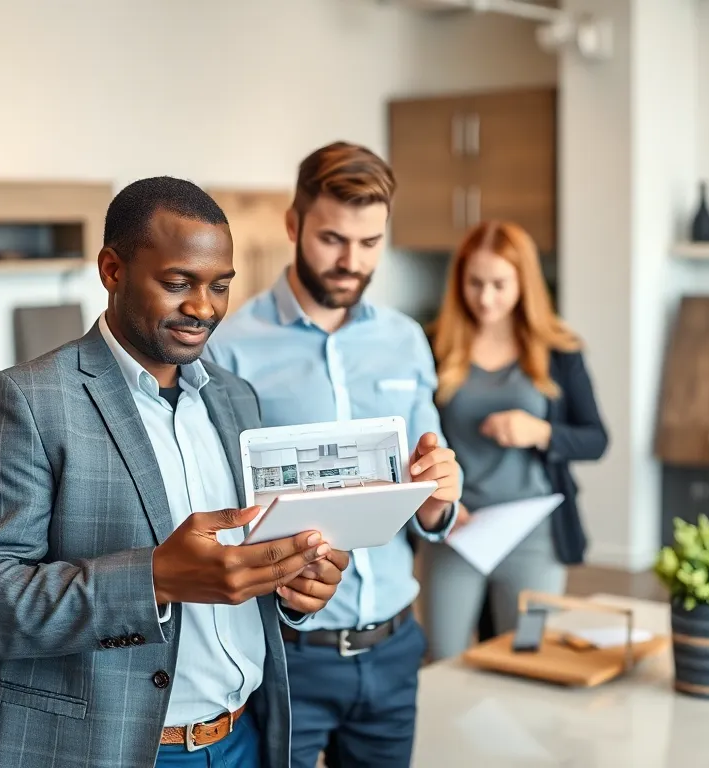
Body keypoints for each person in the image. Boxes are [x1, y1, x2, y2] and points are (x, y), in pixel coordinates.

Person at [0, 176, 351, 768]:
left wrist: (294, 586)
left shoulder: (237, 399)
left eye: (219, 286)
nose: (203, 308)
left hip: (243, 740)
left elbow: (243, 559)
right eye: (178, 283)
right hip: (106, 750)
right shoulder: (28, 401)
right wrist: (152, 579)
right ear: (112, 269)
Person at [201, 141, 462, 768]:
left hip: (397, 644)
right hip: (292, 653)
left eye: (370, 243)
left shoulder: (406, 341)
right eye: (333, 239)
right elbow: (215, 506)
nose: (352, 261)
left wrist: (442, 492)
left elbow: (428, 498)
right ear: (294, 226)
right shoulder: (229, 349)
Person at [421, 219, 609, 662]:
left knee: (529, 658)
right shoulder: (432, 347)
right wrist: (437, 502)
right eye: (475, 283)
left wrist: (540, 431)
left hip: (534, 534)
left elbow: (597, 440)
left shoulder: (560, 350)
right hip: (457, 529)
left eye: (499, 284)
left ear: (524, 281)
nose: (485, 298)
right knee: (443, 658)